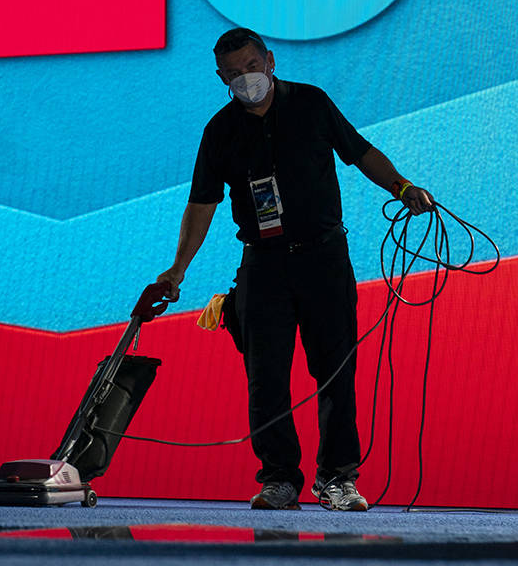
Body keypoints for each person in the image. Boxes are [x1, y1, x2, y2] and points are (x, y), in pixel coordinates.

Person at [151, 27, 432, 512]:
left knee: (336, 372)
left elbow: (360, 152)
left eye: (251, 67)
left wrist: (402, 187)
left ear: (270, 61)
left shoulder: (312, 104)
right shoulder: (219, 131)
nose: (246, 79)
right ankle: (279, 478)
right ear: (221, 78)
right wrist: (176, 271)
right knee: (266, 378)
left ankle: (337, 478)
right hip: (263, 266)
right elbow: (201, 203)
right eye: (234, 74)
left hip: (324, 259)